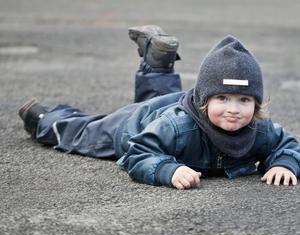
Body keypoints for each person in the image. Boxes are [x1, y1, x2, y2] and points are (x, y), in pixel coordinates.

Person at [19, 25, 300, 190]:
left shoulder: (259, 129)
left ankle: (157, 58)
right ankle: (45, 119)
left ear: (257, 103)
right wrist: (168, 170)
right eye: (222, 98)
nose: (234, 109)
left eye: (245, 100)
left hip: (166, 107)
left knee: (158, 100)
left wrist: (285, 163)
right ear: (204, 101)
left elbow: (287, 146)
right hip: (132, 126)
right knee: (81, 134)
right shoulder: (178, 127)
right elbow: (139, 153)